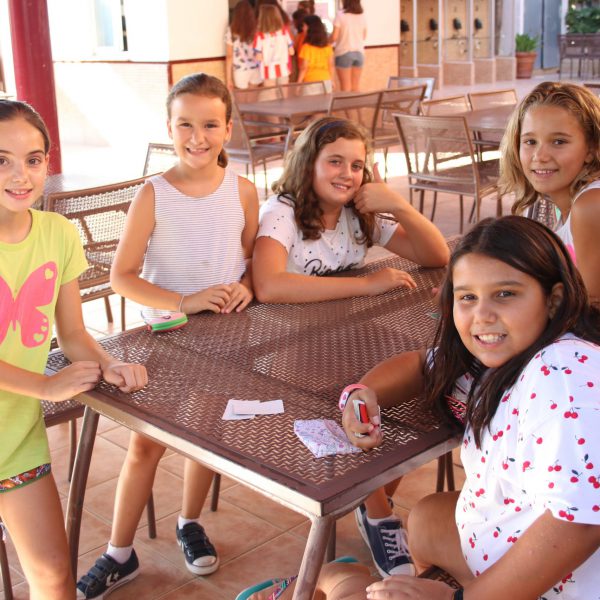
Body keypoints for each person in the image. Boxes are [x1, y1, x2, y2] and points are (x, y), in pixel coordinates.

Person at [340, 216, 600, 599]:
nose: (482, 315)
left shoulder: (561, 369)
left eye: (505, 294)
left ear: (553, 300)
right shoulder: (498, 356)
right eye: (468, 297)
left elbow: (579, 523)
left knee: (352, 588)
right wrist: (361, 394)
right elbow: (422, 366)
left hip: (567, 584)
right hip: (507, 540)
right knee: (426, 520)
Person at [76, 73, 259, 599]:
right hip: (165, 339)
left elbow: (250, 263)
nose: (197, 137)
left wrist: (246, 287)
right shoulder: (152, 194)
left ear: (228, 128)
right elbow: (122, 276)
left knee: (205, 436)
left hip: (226, 340)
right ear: (169, 127)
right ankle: (119, 552)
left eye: (210, 125)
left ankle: (189, 522)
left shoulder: (244, 191)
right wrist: (184, 301)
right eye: (185, 125)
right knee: (145, 446)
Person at [0, 100, 147, 600]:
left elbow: (73, 334)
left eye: (33, 159)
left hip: (15, 437)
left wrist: (110, 362)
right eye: (2, 160)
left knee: (53, 576)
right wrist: (45, 385)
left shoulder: (58, 234)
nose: (20, 175)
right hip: (26, 404)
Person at [252, 116, 449, 304]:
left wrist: (399, 206)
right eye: (335, 162)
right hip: (288, 324)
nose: (347, 174)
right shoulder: (281, 211)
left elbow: (437, 257)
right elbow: (268, 286)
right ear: (308, 164)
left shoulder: (359, 210)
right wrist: (367, 284)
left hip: (347, 320)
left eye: (356, 166)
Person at [501, 81, 600, 303]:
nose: (540, 156)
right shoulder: (543, 206)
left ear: (591, 149)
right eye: (530, 141)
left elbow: (593, 308)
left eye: (558, 141)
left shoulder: (591, 205)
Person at [330, 0, 367, 92]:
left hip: (344, 52)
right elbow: (364, 36)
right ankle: (357, 102)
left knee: (345, 88)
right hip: (359, 53)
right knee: (355, 87)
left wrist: (325, 42)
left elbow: (334, 37)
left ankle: (347, 103)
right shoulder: (361, 15)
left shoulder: (340, 15)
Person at [254, 4, 294, 87]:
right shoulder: (284, 32)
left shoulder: (260, 35)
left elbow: (258, 57)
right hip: (283, 69)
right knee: (284, 93)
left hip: (268, 71)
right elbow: (291, 52)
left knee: (270, 93)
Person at [226, 0, 262, 90]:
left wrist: (229, 79)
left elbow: (229, 56)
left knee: (242, 98)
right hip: (256, 68)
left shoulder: (231, 30)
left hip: (240, 70)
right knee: (254, 97)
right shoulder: (257, 28)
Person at [297, 15, 335, 91]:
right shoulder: (328, 47)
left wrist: (298, 83)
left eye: (304, 26)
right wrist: (332, 80)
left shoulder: (306, 47)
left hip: (310, 81)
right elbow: (331, 65)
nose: (302, 28)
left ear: (310, 28)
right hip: (326, 80)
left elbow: (304, 67)